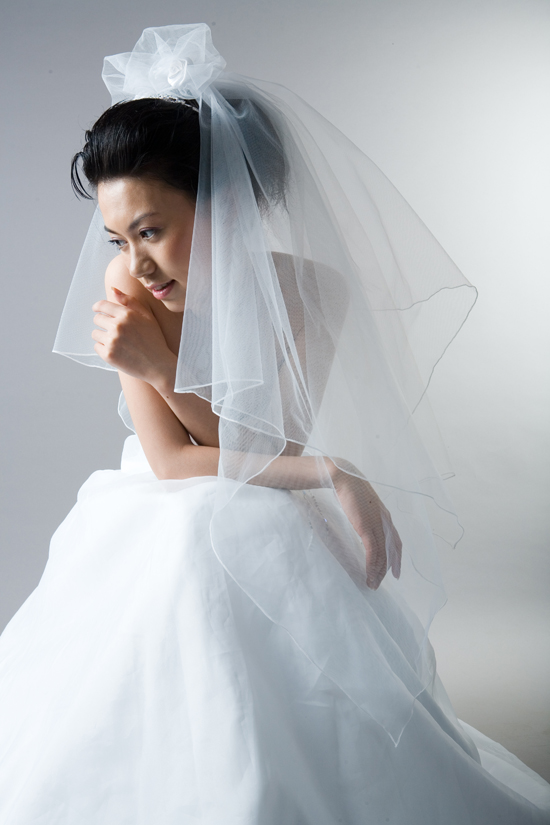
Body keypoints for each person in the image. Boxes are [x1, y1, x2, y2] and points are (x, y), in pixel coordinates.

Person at [0, 23, 548, 824]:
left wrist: (315, 462)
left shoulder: (313, 292)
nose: (135, 262)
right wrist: (323, 467)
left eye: (151, 230)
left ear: (225, 200)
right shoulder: (127, 284)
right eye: (119, 237)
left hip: (254, 481)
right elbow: (173, 461)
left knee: (251, 521)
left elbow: (264, 451)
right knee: (193, 531)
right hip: (167, 493)